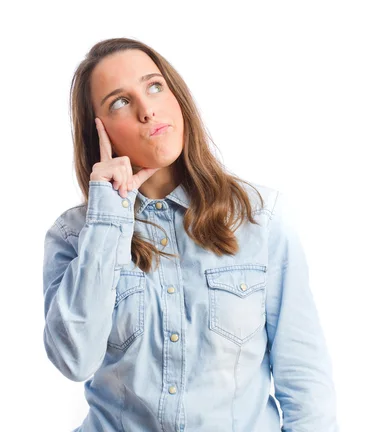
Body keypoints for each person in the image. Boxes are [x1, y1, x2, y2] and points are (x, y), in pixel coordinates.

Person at [42, 37, 339, 432]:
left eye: (154, 86)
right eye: (120, 102)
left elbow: (305, 381)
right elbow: (74, 359)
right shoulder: (74, 234)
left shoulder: (259, 218)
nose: (147, 110)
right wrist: (109, 218)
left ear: (176, 95)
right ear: (97, 133)